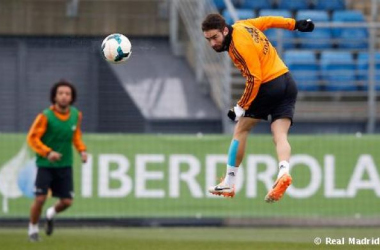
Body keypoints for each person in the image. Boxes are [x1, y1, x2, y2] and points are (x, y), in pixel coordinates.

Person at [202, 14, 314, 202]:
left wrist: (240, 107)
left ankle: (229, 182)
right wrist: (294, 24)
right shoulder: (243, 25)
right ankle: (283, 172)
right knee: (280, 134)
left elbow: (255, 78)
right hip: (287, 81)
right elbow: (268, 21)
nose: (212, 43)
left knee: (240, 130)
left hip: (269, 85)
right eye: (208, 40)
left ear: (225, 30)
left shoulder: (237, 46)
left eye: (215, 37)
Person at [27, 80, 87, 242]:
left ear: (72, 97)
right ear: (54, 96)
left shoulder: (76, 115)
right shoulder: (45, 116)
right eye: (60, 93)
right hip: (46, 165)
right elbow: (32, 138)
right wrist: (48, 153)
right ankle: (33, 229)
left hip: (65, 165)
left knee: (67, 202)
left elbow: (76, 136)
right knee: (40, 198)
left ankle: (50, 214)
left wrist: (82, 151)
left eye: (67, 94)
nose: (64, 97)